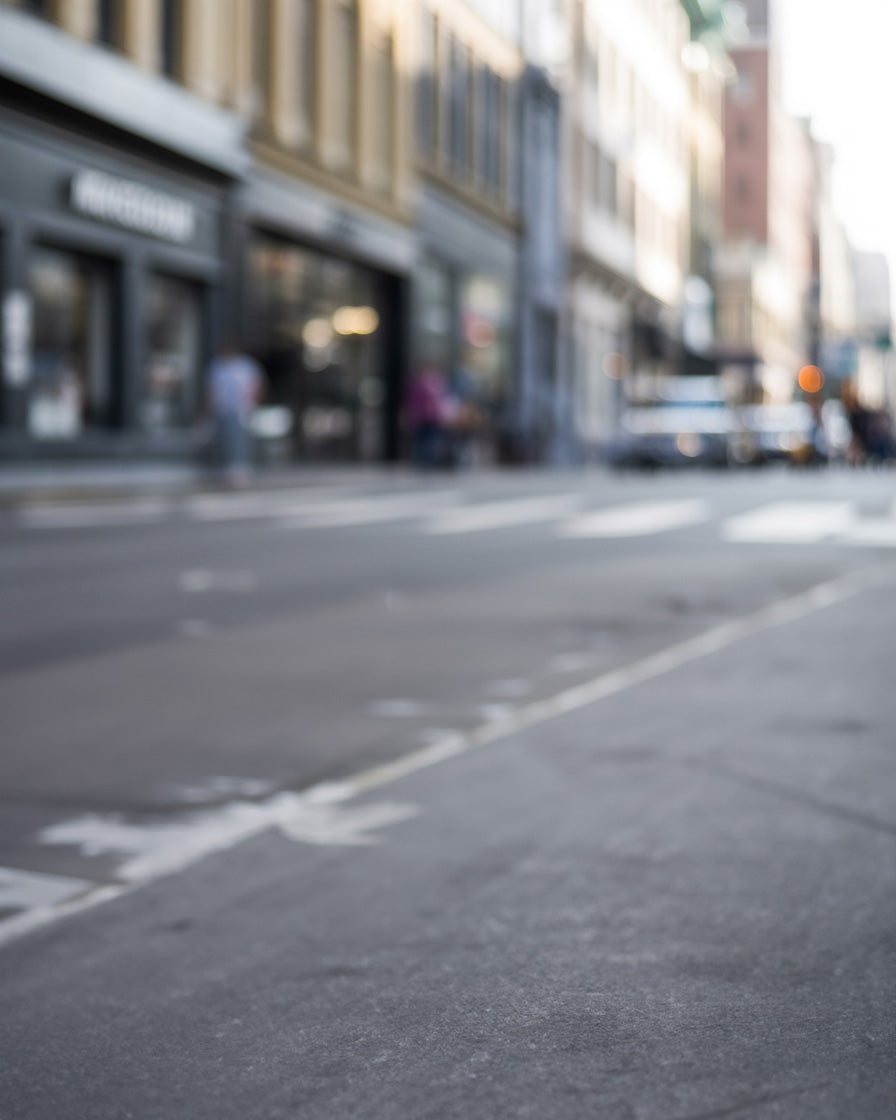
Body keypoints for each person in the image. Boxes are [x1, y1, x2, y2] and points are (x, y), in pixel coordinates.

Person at [206, 340, 264, 487]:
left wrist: (252, 403)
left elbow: (257, 385)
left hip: (242, 409)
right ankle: (226, 470)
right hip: (223, 409)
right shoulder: (218, 365)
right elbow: (211, 389)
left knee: (241, 439)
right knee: (224, 439)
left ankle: (240, 470)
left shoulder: (246, 365)